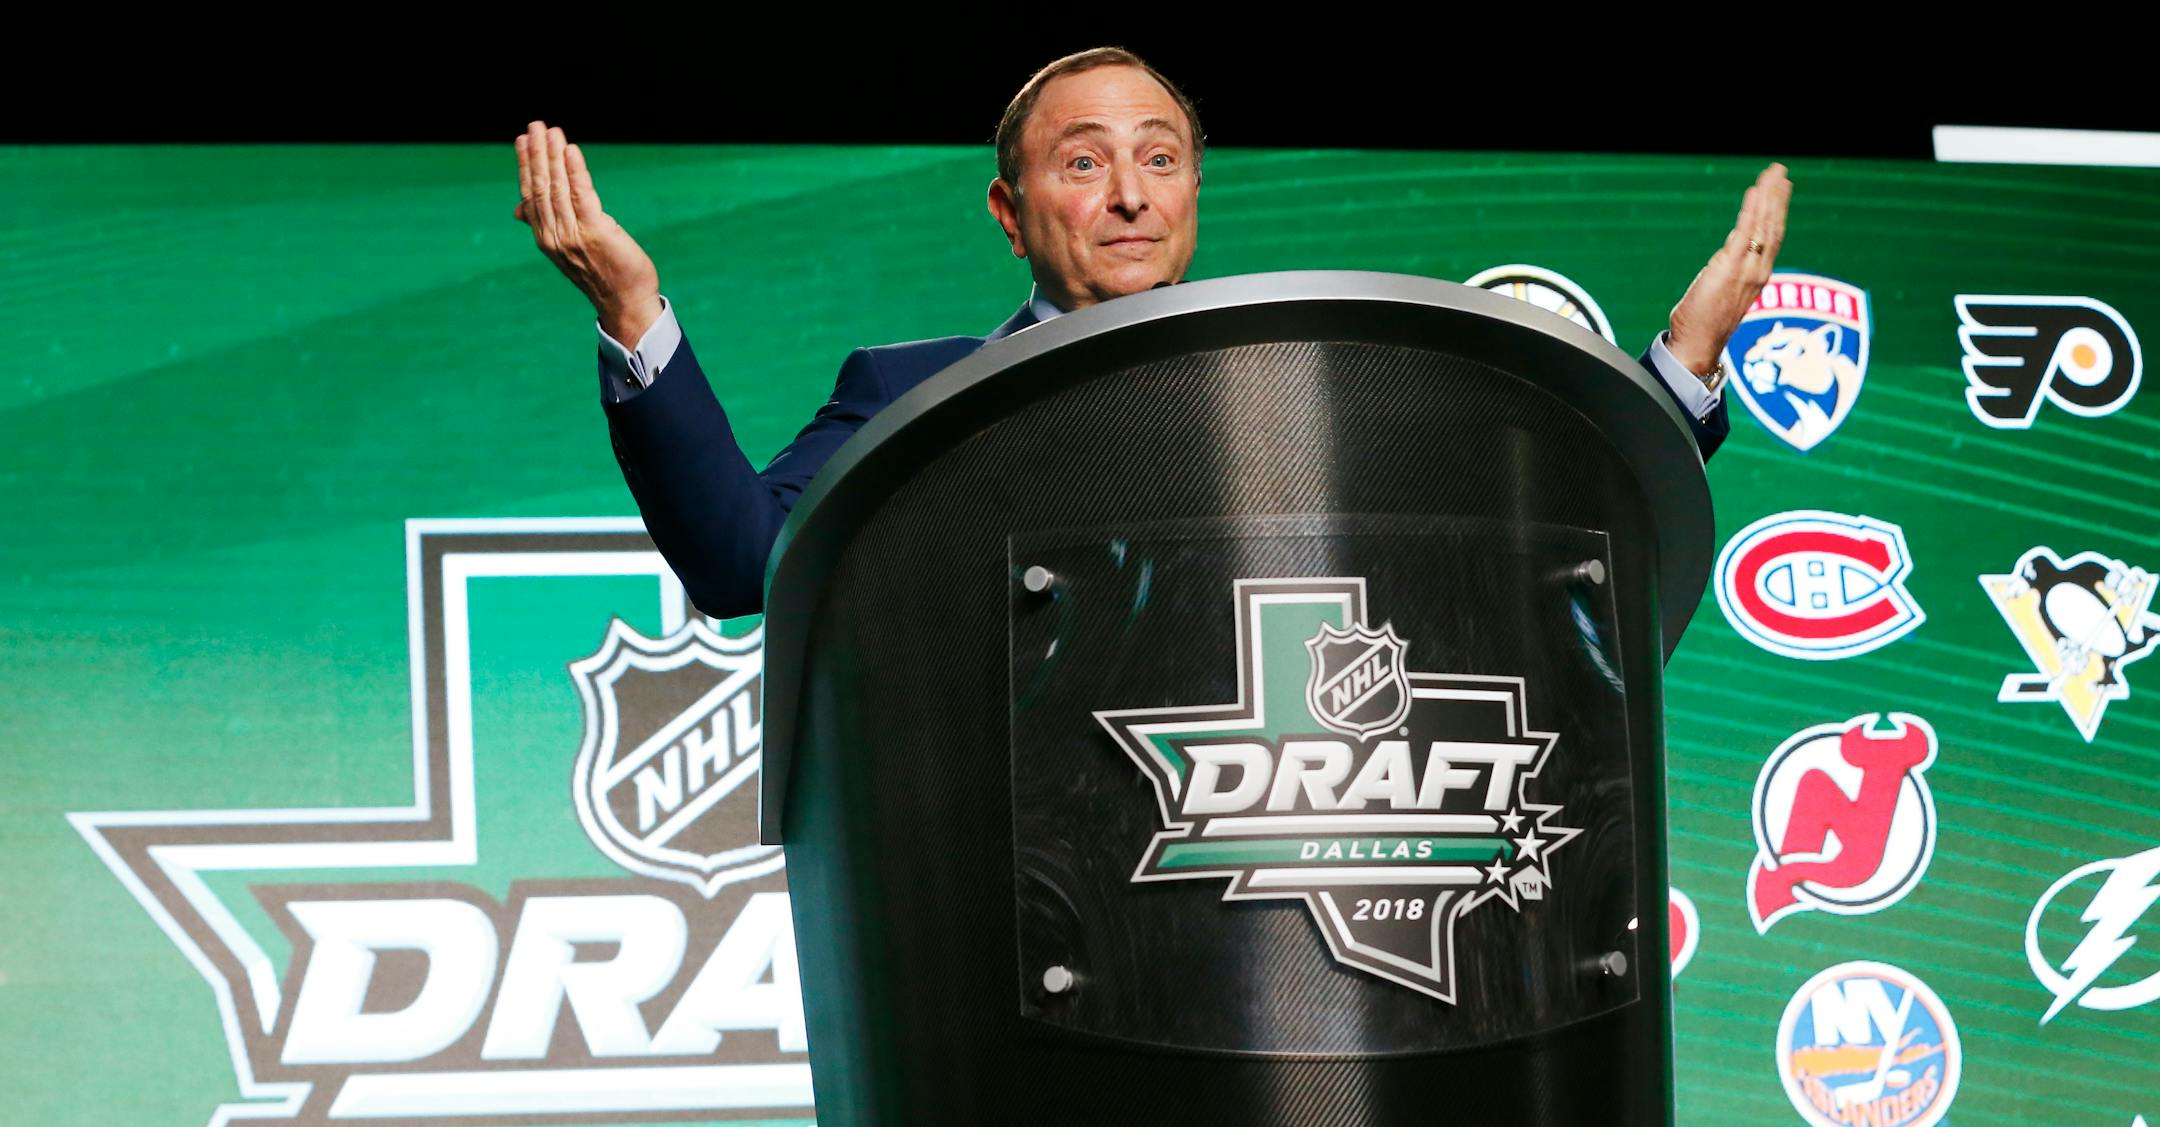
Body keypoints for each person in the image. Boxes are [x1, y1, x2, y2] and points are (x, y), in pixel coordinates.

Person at [515, 48, 1792, 619]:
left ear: (1192, 193)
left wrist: (1677, 370)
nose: (1129, 193)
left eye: (1160, 158)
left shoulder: (1314, 382)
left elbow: (1508, 530)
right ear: (1012, 216)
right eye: (1084, 162)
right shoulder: (908, 393)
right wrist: (633, 316)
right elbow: (744, 565)